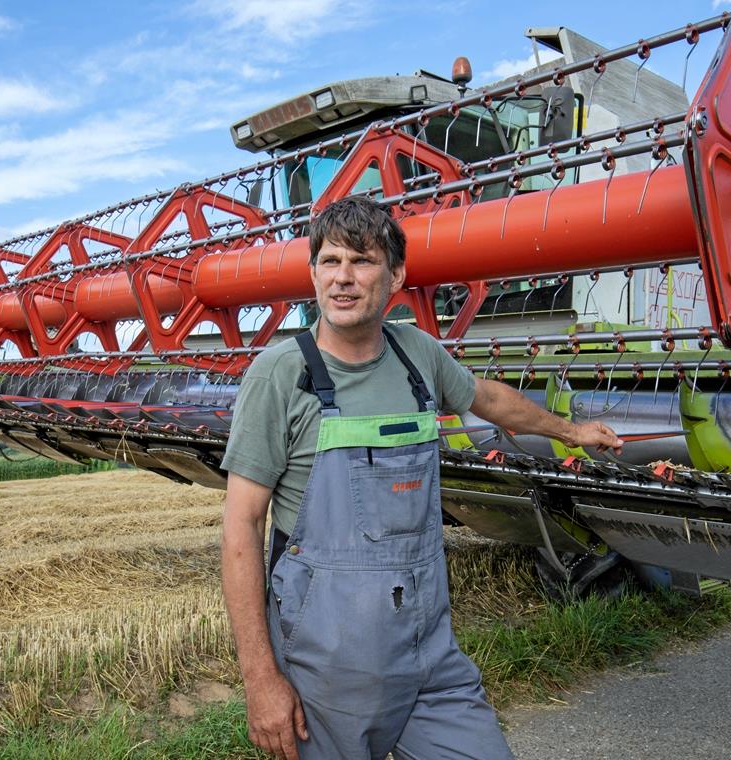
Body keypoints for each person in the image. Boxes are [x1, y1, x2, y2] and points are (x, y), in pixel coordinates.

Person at [221, 196, 623, 760]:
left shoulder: (417, 355)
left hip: (427, 651)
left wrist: (570, 430)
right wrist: (260, 679)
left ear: (396, 275)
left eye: (361, 261)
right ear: (312, 271)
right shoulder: (281, 375)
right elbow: (241, 526)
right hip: (326, 666)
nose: (343, 278)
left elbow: (490, 400)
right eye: (330, 261)